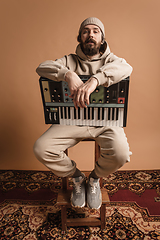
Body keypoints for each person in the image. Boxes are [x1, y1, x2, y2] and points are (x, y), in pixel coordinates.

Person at [34, 17, 133, 209]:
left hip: (106, 122)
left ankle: (94, 179)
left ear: (102, 39)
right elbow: (42, 67)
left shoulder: (112, 60)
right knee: (41, 148)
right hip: (71, 121)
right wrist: (68, 74)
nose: (91, 35)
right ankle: (78, 177)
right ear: (79, 37)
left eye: (96, 31)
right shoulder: (68, 61)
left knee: (121, 154)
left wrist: (96, 80)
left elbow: (127, 68)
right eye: (86, 31)